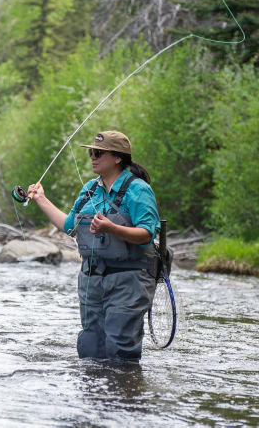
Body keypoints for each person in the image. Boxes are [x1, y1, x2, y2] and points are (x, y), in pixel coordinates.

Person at [27, 130, 160, 362]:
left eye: (99, 153)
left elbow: (147, 234)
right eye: (91, 153)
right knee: (90, 348)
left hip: (129, 280)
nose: (93, 158)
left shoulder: (138, 189)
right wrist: (41, 199)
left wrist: (112, 228)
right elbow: (69, 226)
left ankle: (125, 396)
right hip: (92, 280)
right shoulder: (90, 188)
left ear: (118, 158)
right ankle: (94, 397)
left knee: (119, 349)